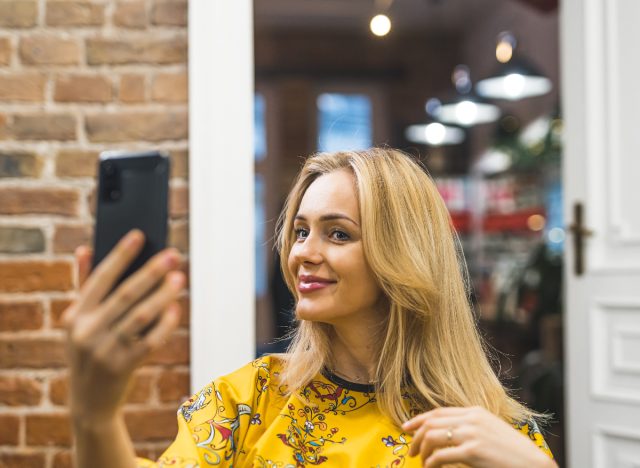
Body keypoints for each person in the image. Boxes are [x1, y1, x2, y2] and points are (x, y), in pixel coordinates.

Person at [64, 148, 557, 468]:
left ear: (404, 254)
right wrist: (96, 416)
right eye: (301, 231)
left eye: (337, 233)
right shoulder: (247, 401)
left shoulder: (484, 431)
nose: (303, 252)